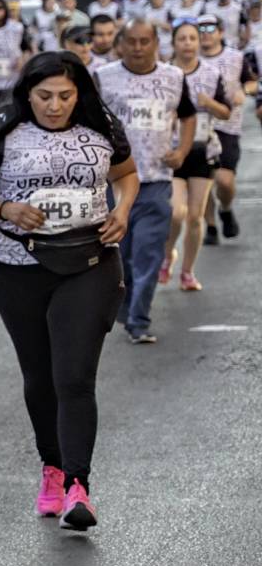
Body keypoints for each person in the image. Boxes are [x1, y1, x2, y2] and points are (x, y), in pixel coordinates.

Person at [0, 53, 136, 533]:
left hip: (90, 264)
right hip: (21, 268)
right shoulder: (4, 131)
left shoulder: (102, 126)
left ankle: (79, 487)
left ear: (80, 94)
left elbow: (127, 175)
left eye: (65, 96)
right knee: (40, 379)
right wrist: (6, 210)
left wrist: (124, 211)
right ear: (27, 94)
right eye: (44, 97)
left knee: (74, 376)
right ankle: (52, 468)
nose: (54, 106)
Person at [94, 20, 197, 345]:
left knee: (148, 253)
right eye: (132, 42)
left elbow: (189, 115)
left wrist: (181, 150)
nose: (138, 48)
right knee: (120, 255)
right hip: (115, 183)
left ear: (155, 43)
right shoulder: (104, 77)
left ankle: (139, 319)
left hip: (155, 180)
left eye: (144, 41)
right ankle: (126, 309)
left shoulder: (173, 77)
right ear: (120, 44)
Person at [165, 23, 233, 288]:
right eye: (182, 38)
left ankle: (187, 272)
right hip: (172, 151)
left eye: (192, 38)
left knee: (195, 215)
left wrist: (209, 103)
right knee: (175, 213)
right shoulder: (164, 73)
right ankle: (168, 253)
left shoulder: (211, 73)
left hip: (202, 149)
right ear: (174, 43)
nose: (188, 43)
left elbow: (226, 112)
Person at [197, 16, 247, 246]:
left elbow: (251, 81)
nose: (205, 33)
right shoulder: (188, 59)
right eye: (201, 29)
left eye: (210, 28)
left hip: (228, 127)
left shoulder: (235, 58)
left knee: (225, 181)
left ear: (220, 32)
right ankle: (211, 225)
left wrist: (244, 91)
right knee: (203, 180)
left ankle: (225, 208)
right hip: (198, 128)